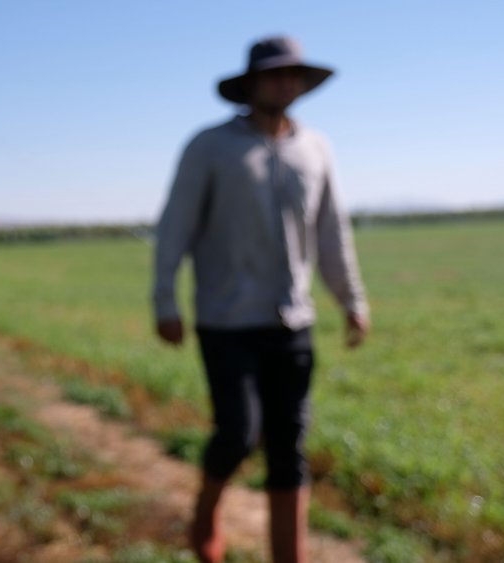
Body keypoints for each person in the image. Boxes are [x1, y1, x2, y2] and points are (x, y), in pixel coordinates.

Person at [152, 36, 370, 563]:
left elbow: (331, 231)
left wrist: (351, 299)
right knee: (238, 432)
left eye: (294, 75)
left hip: (292, 320)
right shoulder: (209, 147)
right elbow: (175, 226)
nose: (285, 83)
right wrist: (165, 300)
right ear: (249, 84)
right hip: (226, 321)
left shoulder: (316, 149)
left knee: (289, 445)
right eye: (274, 75)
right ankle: (205, 513)